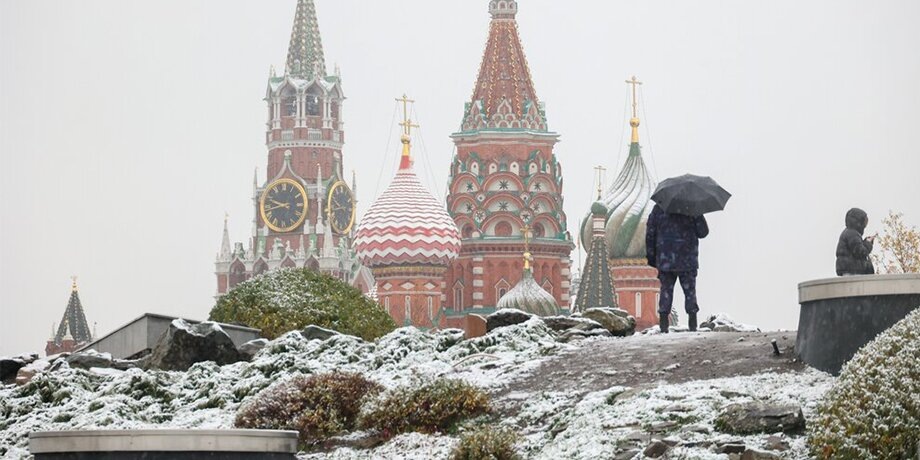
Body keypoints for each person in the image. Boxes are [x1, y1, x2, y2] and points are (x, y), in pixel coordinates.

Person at [645, 204, 709, 333]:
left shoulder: (659, 208)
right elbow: (703, 232)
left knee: (666, 291)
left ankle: (664, 326)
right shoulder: (691, 207)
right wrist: (698, 215)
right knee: (690, 292)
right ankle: (692, 324)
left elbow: (650, 234)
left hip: (665, 259)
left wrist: (652, 258)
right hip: (687, 259)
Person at [836, 208, 875, 276]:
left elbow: (856, 247)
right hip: (852, 271)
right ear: (858, 222)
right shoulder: (852, 234)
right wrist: (868, 244)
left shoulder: (849, 233)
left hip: (849, 270)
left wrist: (864, 242)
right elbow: (860, 252)